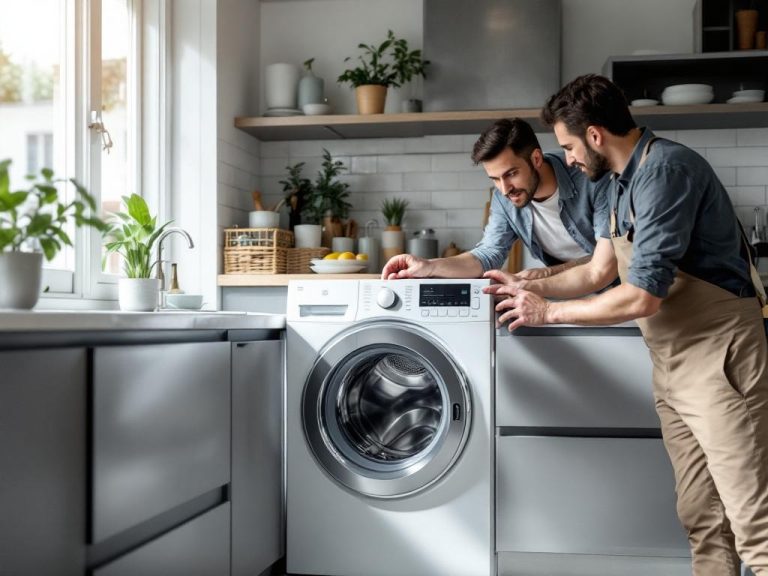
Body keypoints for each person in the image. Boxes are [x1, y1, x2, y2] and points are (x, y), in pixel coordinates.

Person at [486, 74, 768, 575]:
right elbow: (599, 272)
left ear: (595, 136)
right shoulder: (618, 184)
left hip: (718, 356)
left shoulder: (666, 170)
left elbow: (640, 296)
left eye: (568, 146)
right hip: (673, 364)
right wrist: (531, 286)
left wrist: (546, 313)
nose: (566, 159)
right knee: (702, 518)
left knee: (754, 521)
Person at [380, 118, 612, 280]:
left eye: (511, 174)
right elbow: (488, 255)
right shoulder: (505, 197)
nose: (504, 188)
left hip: (617, 288)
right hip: (566, 290)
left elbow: (609, 257)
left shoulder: (589, 178)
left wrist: (547, 273)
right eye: (495, 179)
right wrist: (429, 266)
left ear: (536, 159)